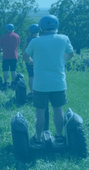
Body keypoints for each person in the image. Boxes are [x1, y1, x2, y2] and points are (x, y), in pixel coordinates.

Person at [23, 15, 74, 146]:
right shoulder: (63, 38)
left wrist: (31, 62)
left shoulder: (35, 41)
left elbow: (25, 56)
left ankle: (38, 138)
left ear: (41, 28)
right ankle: (59, 137)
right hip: (59, 82)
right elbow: (70, 54)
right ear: (56, 26)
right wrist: (62, 60)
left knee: (40, 112)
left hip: (40, 84)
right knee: (58, 110)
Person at [22, 24, 40, 97]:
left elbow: (24, 50)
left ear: (32, 31)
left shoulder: (28, 39)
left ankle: (31, 91)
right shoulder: (41, 39)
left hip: (30, 60)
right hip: (39, 60)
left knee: (31, 76)